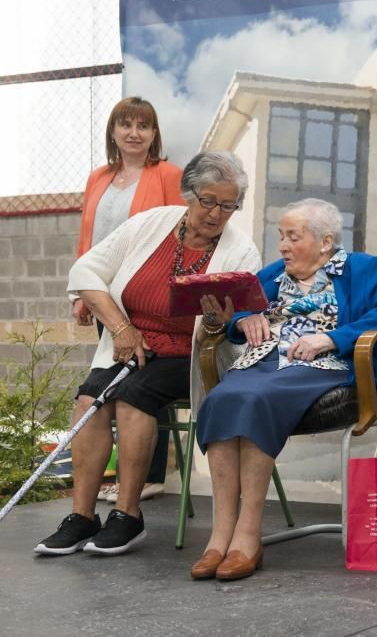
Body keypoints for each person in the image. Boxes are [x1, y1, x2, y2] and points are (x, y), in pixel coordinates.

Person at [35, 152, 260, 556]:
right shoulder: (150, 224)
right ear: (188, 194)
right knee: (90, 400)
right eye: (208, 200)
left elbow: (235, 332)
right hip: (130, 346)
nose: (216, 213)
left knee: (133, 397)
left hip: (192, 357)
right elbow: (85, 272)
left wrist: (215, 323)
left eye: (228, 205)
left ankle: (127, 515)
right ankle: (81, 517)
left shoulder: (242, 252)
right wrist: (121, 328)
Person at [190, 198, 377, 581]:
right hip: (265, 359)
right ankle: (219, 536)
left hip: (322, 363)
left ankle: (247, 536)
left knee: (257, 398)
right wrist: (247, 319)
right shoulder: (275, 274)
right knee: (223, 396)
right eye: (281, 236)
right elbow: (241, 310)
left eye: (293, 237)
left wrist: (331, 338)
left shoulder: (360, 267)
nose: (283, 246)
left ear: (325, 242)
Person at [74, 96, 186, 505]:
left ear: (154, 134)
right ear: (114, 131)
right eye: (126, 125)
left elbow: (181, 236)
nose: (134, 133)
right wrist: (82, 293)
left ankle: (149, 477)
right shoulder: (98, 178)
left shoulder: (168, 175)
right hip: (106, 296)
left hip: (146, 296)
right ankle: (128, 477)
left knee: (142, 382)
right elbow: (88, 240)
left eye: (143, 126)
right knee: (115, 381)